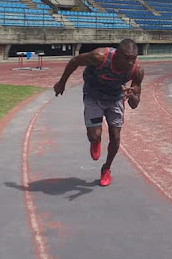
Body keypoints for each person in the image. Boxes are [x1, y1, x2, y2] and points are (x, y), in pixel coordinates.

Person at [53, 39, 144, 187]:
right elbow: (75, 61)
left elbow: (134, 104)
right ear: (117, 54)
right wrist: (62, 82)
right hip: (93, 95)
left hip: (115, 98)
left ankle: (106, 168)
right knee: (94, 135)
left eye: (132, 59)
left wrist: (132, 96)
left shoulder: (137, 70)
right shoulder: (100, 56)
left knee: (115, 137)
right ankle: (95, 141)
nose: (129, 63)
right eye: (126, 58)